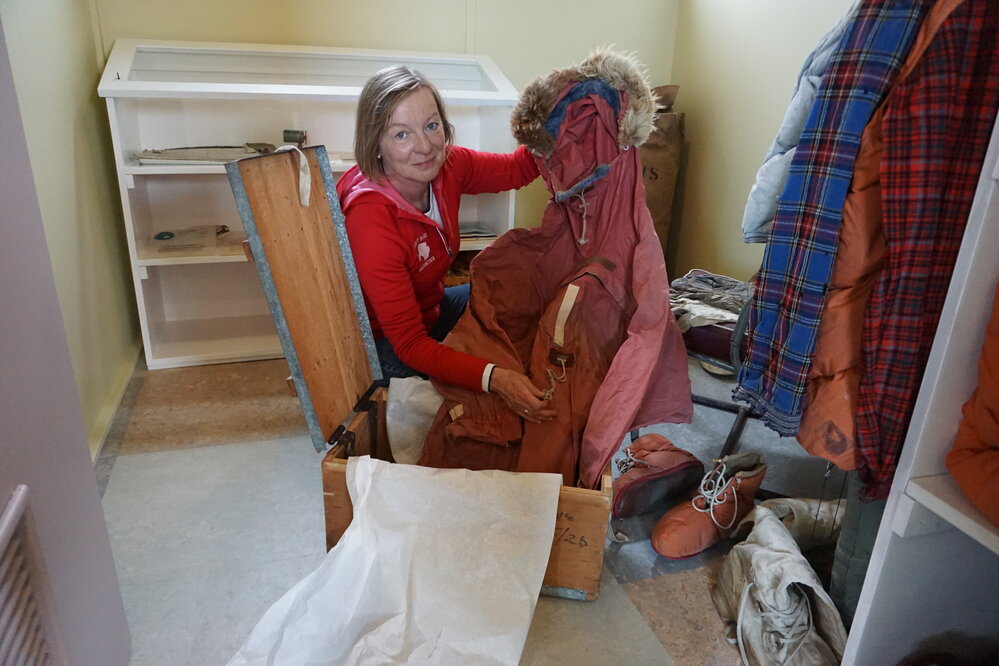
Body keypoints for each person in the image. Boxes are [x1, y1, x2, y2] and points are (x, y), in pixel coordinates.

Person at [336, 65, 555, 423]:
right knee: (472, 410)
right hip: (385, 345)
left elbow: (517, 169)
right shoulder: (371, 219)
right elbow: (410, 344)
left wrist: (559, 122)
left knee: (510, 290)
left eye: (431, 125)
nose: (424, 146)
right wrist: (494, 378)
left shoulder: (447, 165)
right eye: (401, 134)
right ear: (375, 142)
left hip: (432, 310)